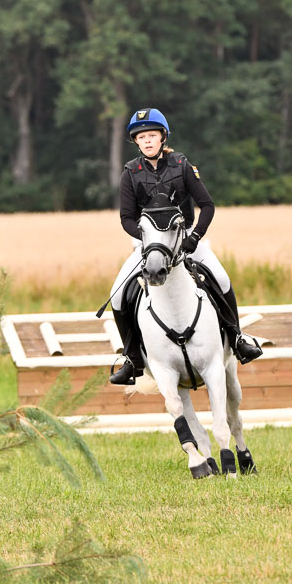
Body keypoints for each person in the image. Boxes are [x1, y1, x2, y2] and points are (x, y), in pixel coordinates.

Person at [109, 107, 262, 385]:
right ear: (136, 142)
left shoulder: (181, 165)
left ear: (162, 137)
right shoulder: (130, 173)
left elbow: (207, 205)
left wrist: (195, 238)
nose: (147, 141)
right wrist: (148, 242)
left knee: (222, 278)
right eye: (141, 137)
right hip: (149, 244)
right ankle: (132, 359)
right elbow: (126, 218)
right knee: (117, 295)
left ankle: (237, 338)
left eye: (152, 135)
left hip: (187, 237)